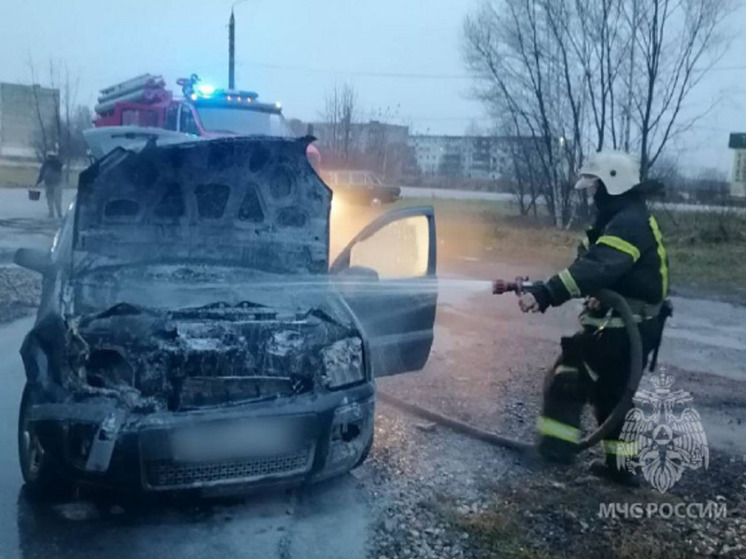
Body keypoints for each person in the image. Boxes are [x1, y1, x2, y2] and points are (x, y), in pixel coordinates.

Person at [518, 150, 669, 485]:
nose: (592, 194)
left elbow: (596, 267)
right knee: (614, 393)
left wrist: (546, 294)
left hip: (624, 327)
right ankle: (621, 468)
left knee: (567, 376)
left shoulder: (628, 223)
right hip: (629, 325)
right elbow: (590, 258)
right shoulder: (622, 216)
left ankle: (556, 452)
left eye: (595, 186)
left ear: (612, 184)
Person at [35, 151, 64, 219]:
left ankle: (51, 213)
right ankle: (59, 213)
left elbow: (42, 174)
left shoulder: (46, 163)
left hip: (49, 183)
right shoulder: (58, 163)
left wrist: (38, 182)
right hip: (57, 183)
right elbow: (60, 168)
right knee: (57, 199)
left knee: (50, 199)